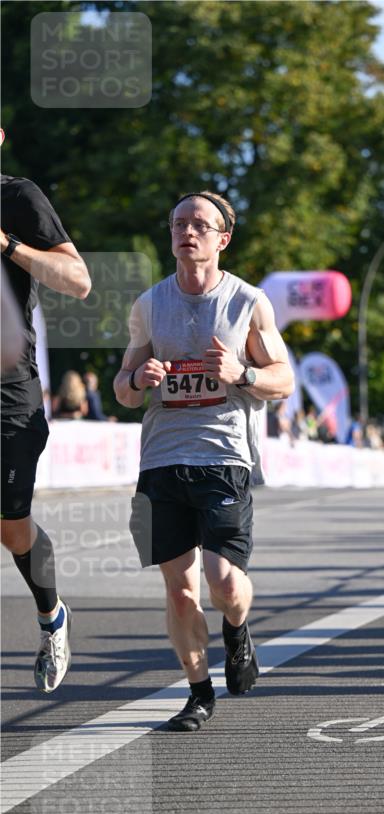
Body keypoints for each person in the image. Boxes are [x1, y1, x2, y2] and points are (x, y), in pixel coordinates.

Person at [114, 190, 294, 732]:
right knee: (179, 590)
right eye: (178, 224)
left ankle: (237, 631)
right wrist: (137, 378)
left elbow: (283, 381)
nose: (186, 232)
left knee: (224, 582)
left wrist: (242, 374)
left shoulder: (248, 302)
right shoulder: (149, 305)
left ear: (223, 239)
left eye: (199, 225)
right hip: (162, 460)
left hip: (224, 457)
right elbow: (122, 389)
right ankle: (197, 693)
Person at [1, 134, 91, 692]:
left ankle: (52, 617)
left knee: (12, 529)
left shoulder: (19, 197)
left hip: (9, 394)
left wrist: (7, 245)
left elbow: (78, 281)